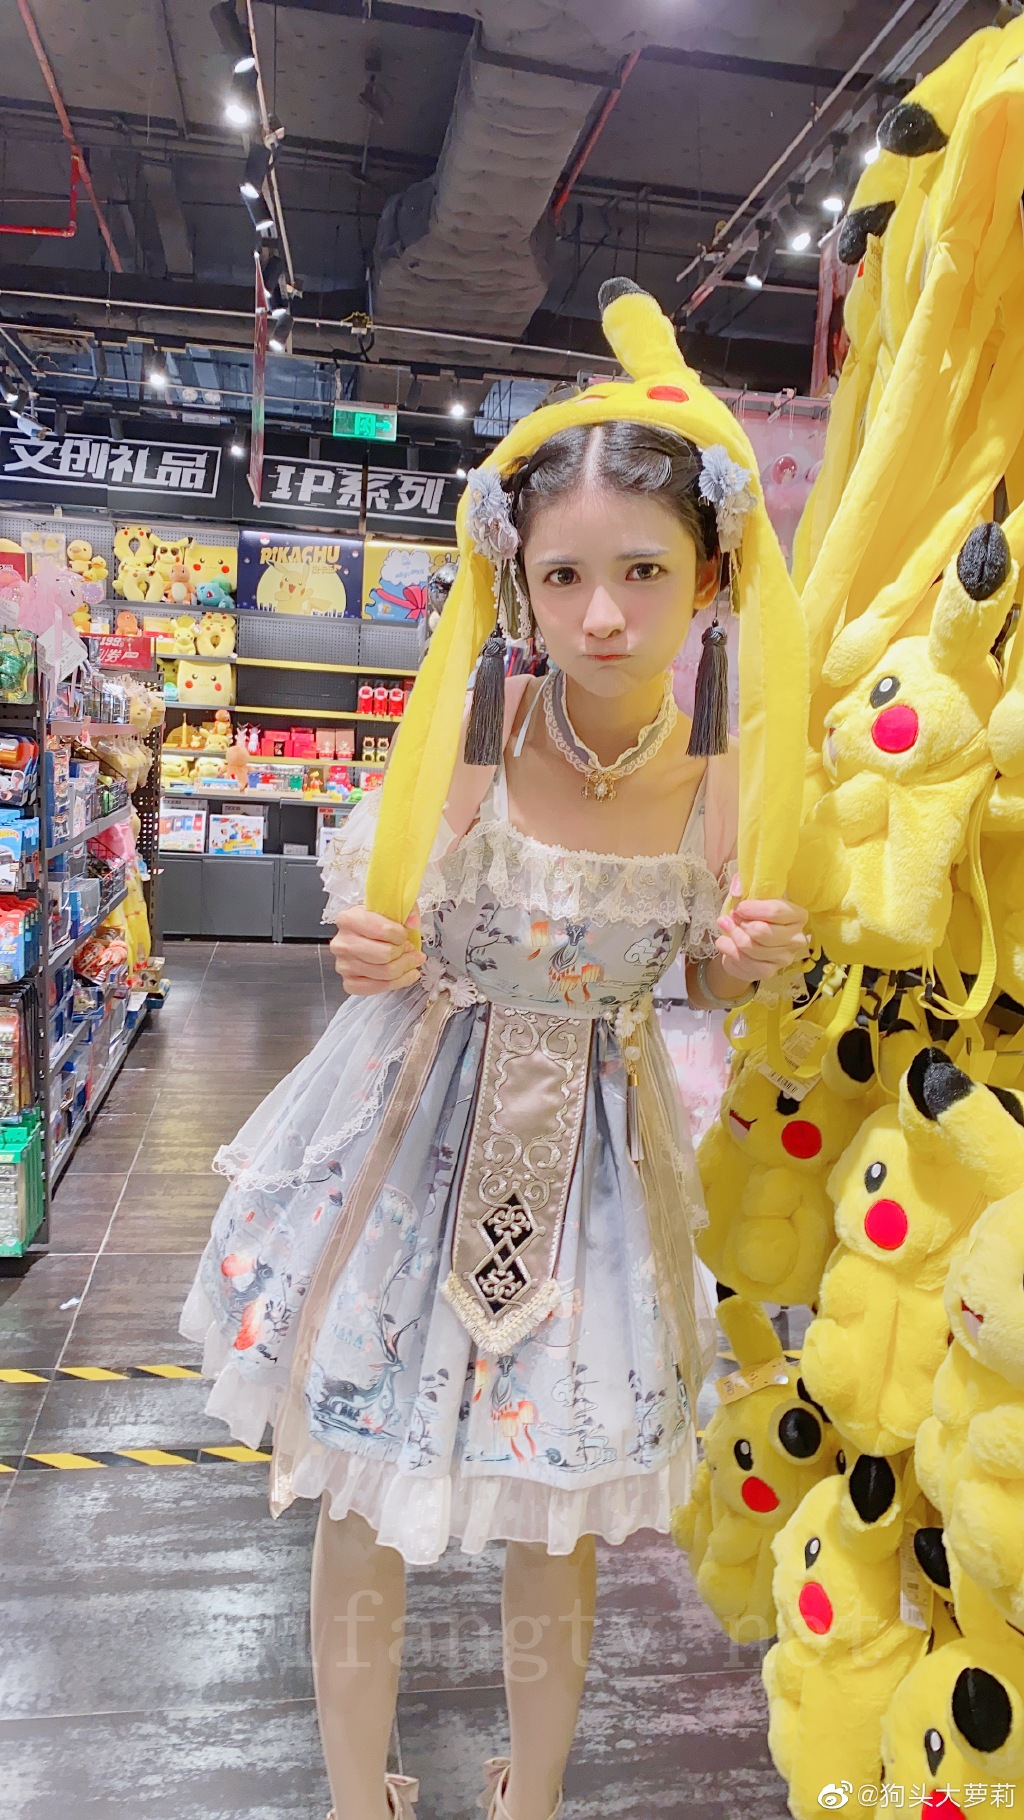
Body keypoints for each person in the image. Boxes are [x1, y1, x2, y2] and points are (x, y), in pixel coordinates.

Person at [180, 281, 810, 1820]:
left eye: (644, 572)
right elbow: (385, 914)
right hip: (412, 1133)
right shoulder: (472, 732)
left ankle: (533, 1797)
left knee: (555, 1508)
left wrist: (732, 969)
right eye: (565, 575)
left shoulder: (729, 781)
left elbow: (698, 980)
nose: (603, 616)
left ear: (712, 574)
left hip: (596, 1164)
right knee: (353, 1485)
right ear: (516, 581)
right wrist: (369, 945)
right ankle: (356, 1793)